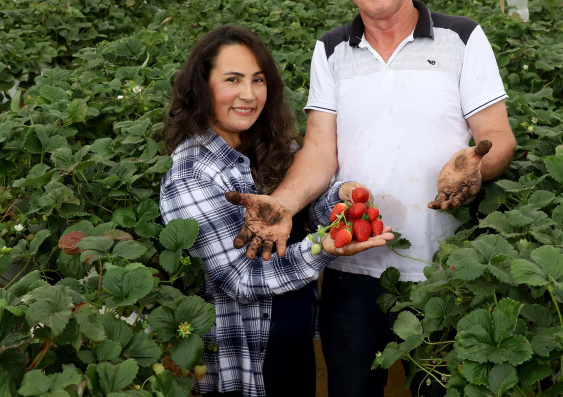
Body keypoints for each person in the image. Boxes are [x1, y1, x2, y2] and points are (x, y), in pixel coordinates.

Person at [230, 0, 517, 396]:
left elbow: (497, 135)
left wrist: (477, 166)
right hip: (350, 267)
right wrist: (283, 203)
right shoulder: (330, 50)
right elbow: (319, 149)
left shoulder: (462, 38)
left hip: (445, 267)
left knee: (440, 389)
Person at [159, 25, 394, 397]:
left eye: (258, 80)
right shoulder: (192, 174)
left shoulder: (275, 145)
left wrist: (339, 199)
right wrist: (323, 248)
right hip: (249, 357)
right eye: (232, 79)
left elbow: (302, 211)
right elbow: (240, 278)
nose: (249, 94)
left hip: (294, 337)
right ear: (202, 87)